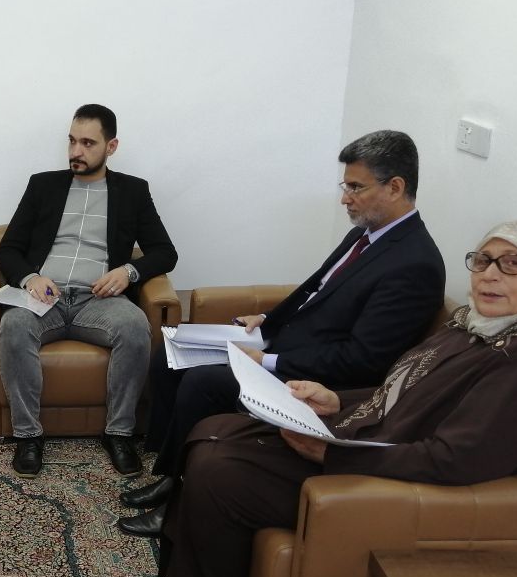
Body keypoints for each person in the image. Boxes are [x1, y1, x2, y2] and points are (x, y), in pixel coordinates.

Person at [146, 220, 517, 577]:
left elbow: (458, 460)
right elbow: (401, 389)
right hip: (361, 435)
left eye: (512, 264)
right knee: (216, 429)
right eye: (482, 261)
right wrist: (337, 400)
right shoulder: (474, 325)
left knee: (221, 469)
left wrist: (334, 453)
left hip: (382, 470)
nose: (490, 275)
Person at [119, 130, 445, 545]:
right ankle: (172, 476)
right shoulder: (365, 234)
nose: (345, 198)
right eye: (345, 186)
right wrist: (267, 320)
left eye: (356, 187)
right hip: (286, 344)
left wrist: (269, 362)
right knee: (169, 354)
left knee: (203, 381)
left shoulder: (414, 263)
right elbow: (313, 289)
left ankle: (179, 504)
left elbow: (364, 360)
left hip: (320, 378)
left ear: (395, 187)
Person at [0, 104, 178, 478]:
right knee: (13, 325)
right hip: (45, 298)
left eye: (88, 143)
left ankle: (119, 433)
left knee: (134, 326)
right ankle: (28, 436)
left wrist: (128, 271)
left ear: (111, 146)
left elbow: (165, 252)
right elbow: (8, 249)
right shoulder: (43, 185)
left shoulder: (133, 191)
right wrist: (30, 278)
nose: (76, 151)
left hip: (99, 301)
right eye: (72, 141)